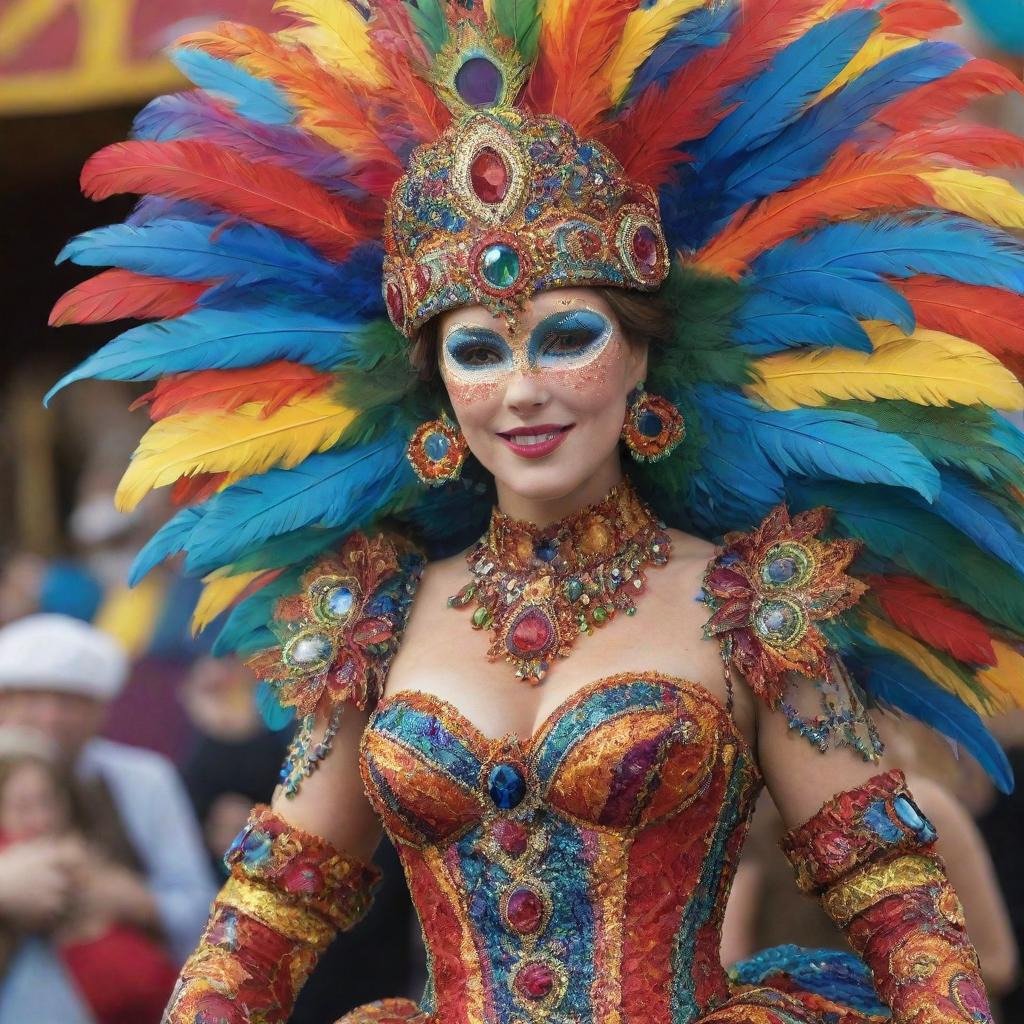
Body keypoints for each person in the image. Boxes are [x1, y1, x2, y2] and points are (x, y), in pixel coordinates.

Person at [47, 1, 1024, 1022]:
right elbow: (263, 917)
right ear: (439, 391)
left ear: (642, 356)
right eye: (478, 351)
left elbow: (900, 906)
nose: (522, 391)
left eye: (565, 337)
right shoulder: (375, 614)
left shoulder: (751, 607)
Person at [0, 614, 216, 1022]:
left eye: (69, 701)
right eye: (31, 698)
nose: (49, 718)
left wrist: (133, 899)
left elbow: (202, 911)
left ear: (101, 709)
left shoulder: (145, 779)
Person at [0, 727, 180, 1024]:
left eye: (49, 802)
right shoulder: (54, 862)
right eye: (22, 807)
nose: (40, 819)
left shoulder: (91, 853)